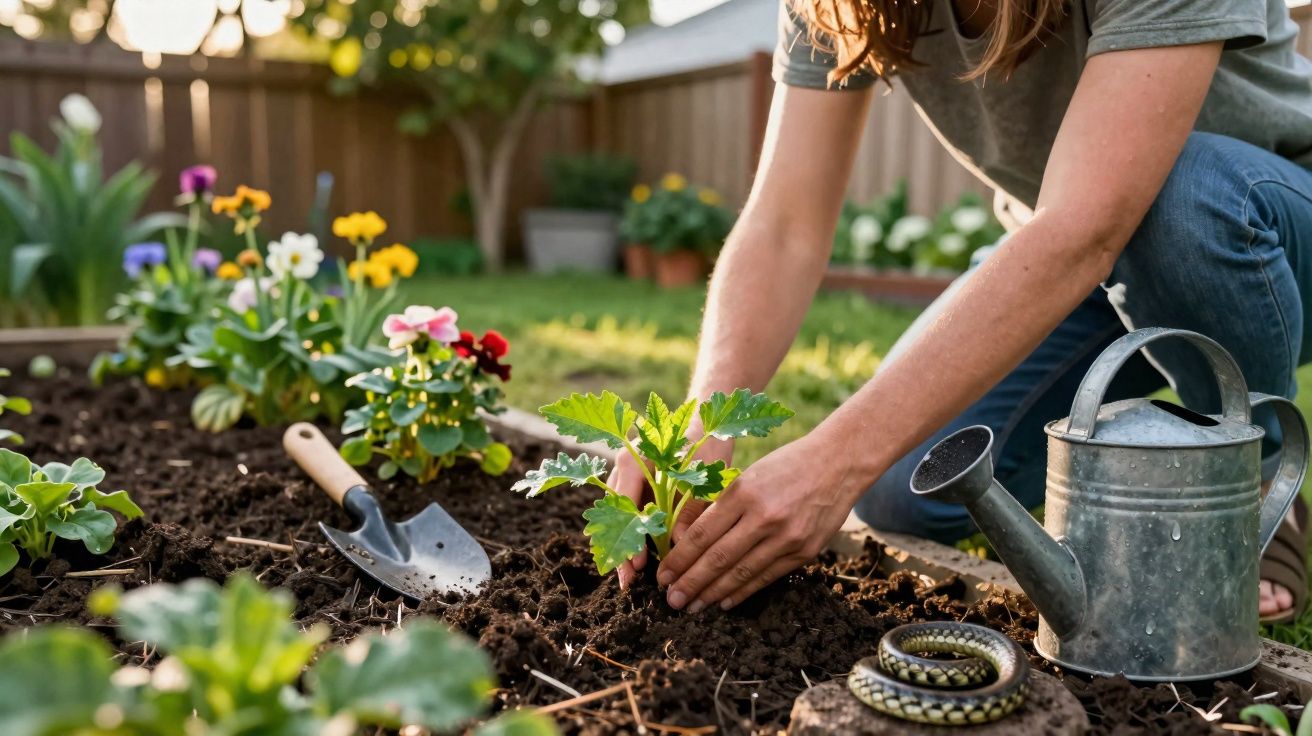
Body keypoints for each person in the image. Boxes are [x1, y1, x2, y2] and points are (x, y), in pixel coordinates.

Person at [611, 0, 1312, 623]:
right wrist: (706, 417)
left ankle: (1246, 471)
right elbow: (784, 224)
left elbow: (1086, 227)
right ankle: (1149, 442)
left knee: (1180, 201)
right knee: (904, 488)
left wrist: (834, 459)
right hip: (1080, 249)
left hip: (1262, 225)